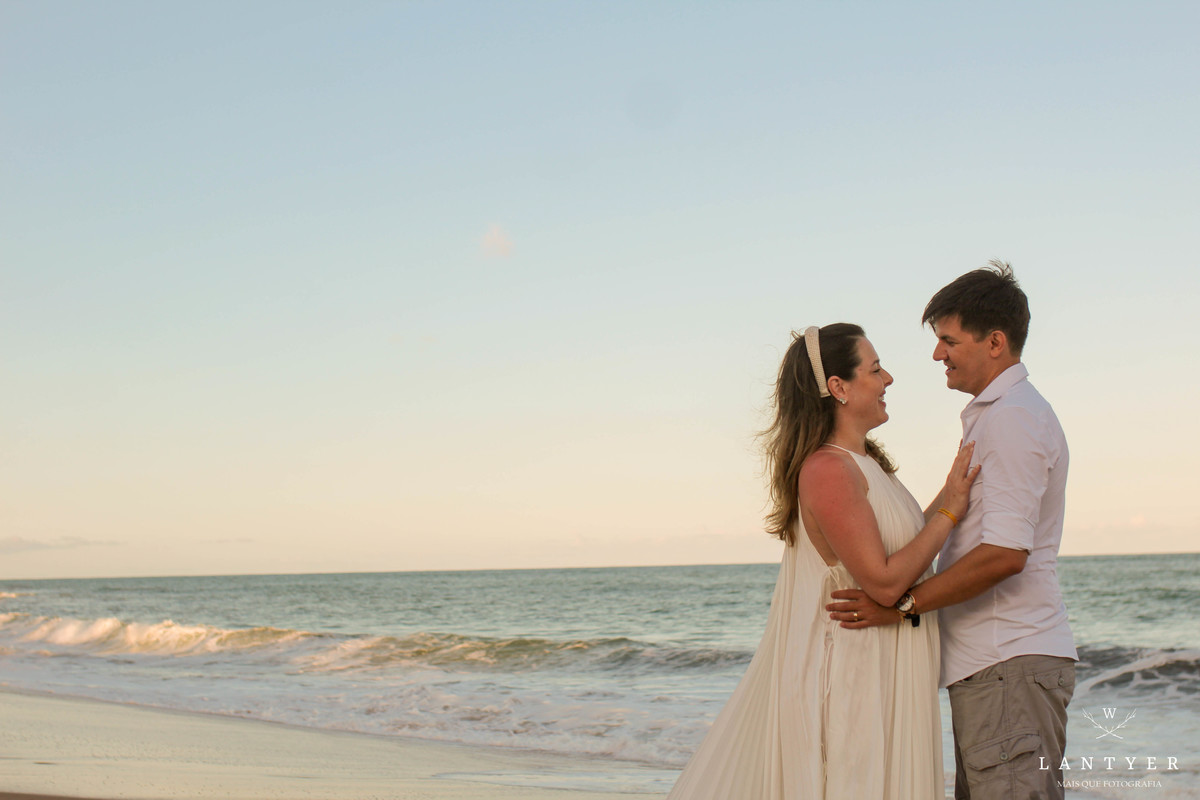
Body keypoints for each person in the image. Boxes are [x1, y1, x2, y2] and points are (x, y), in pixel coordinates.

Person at [666, 322, 979, 800]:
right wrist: (953, 507)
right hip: (853, 681)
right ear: (838, 388)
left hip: (881, 672)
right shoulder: (828, 469)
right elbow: (885, 582)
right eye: (875, 369)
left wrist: (951, 492)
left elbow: (911, 543)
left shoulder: (868, 466)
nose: (888, 378)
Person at [827, 263, 1077, 800]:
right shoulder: (994, 416)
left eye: (946, 340)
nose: (936, 354)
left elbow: (1006, 555)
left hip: (1008, 662)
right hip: (995, 667)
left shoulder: (1012, 418)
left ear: (994, 342)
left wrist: (902, 606)